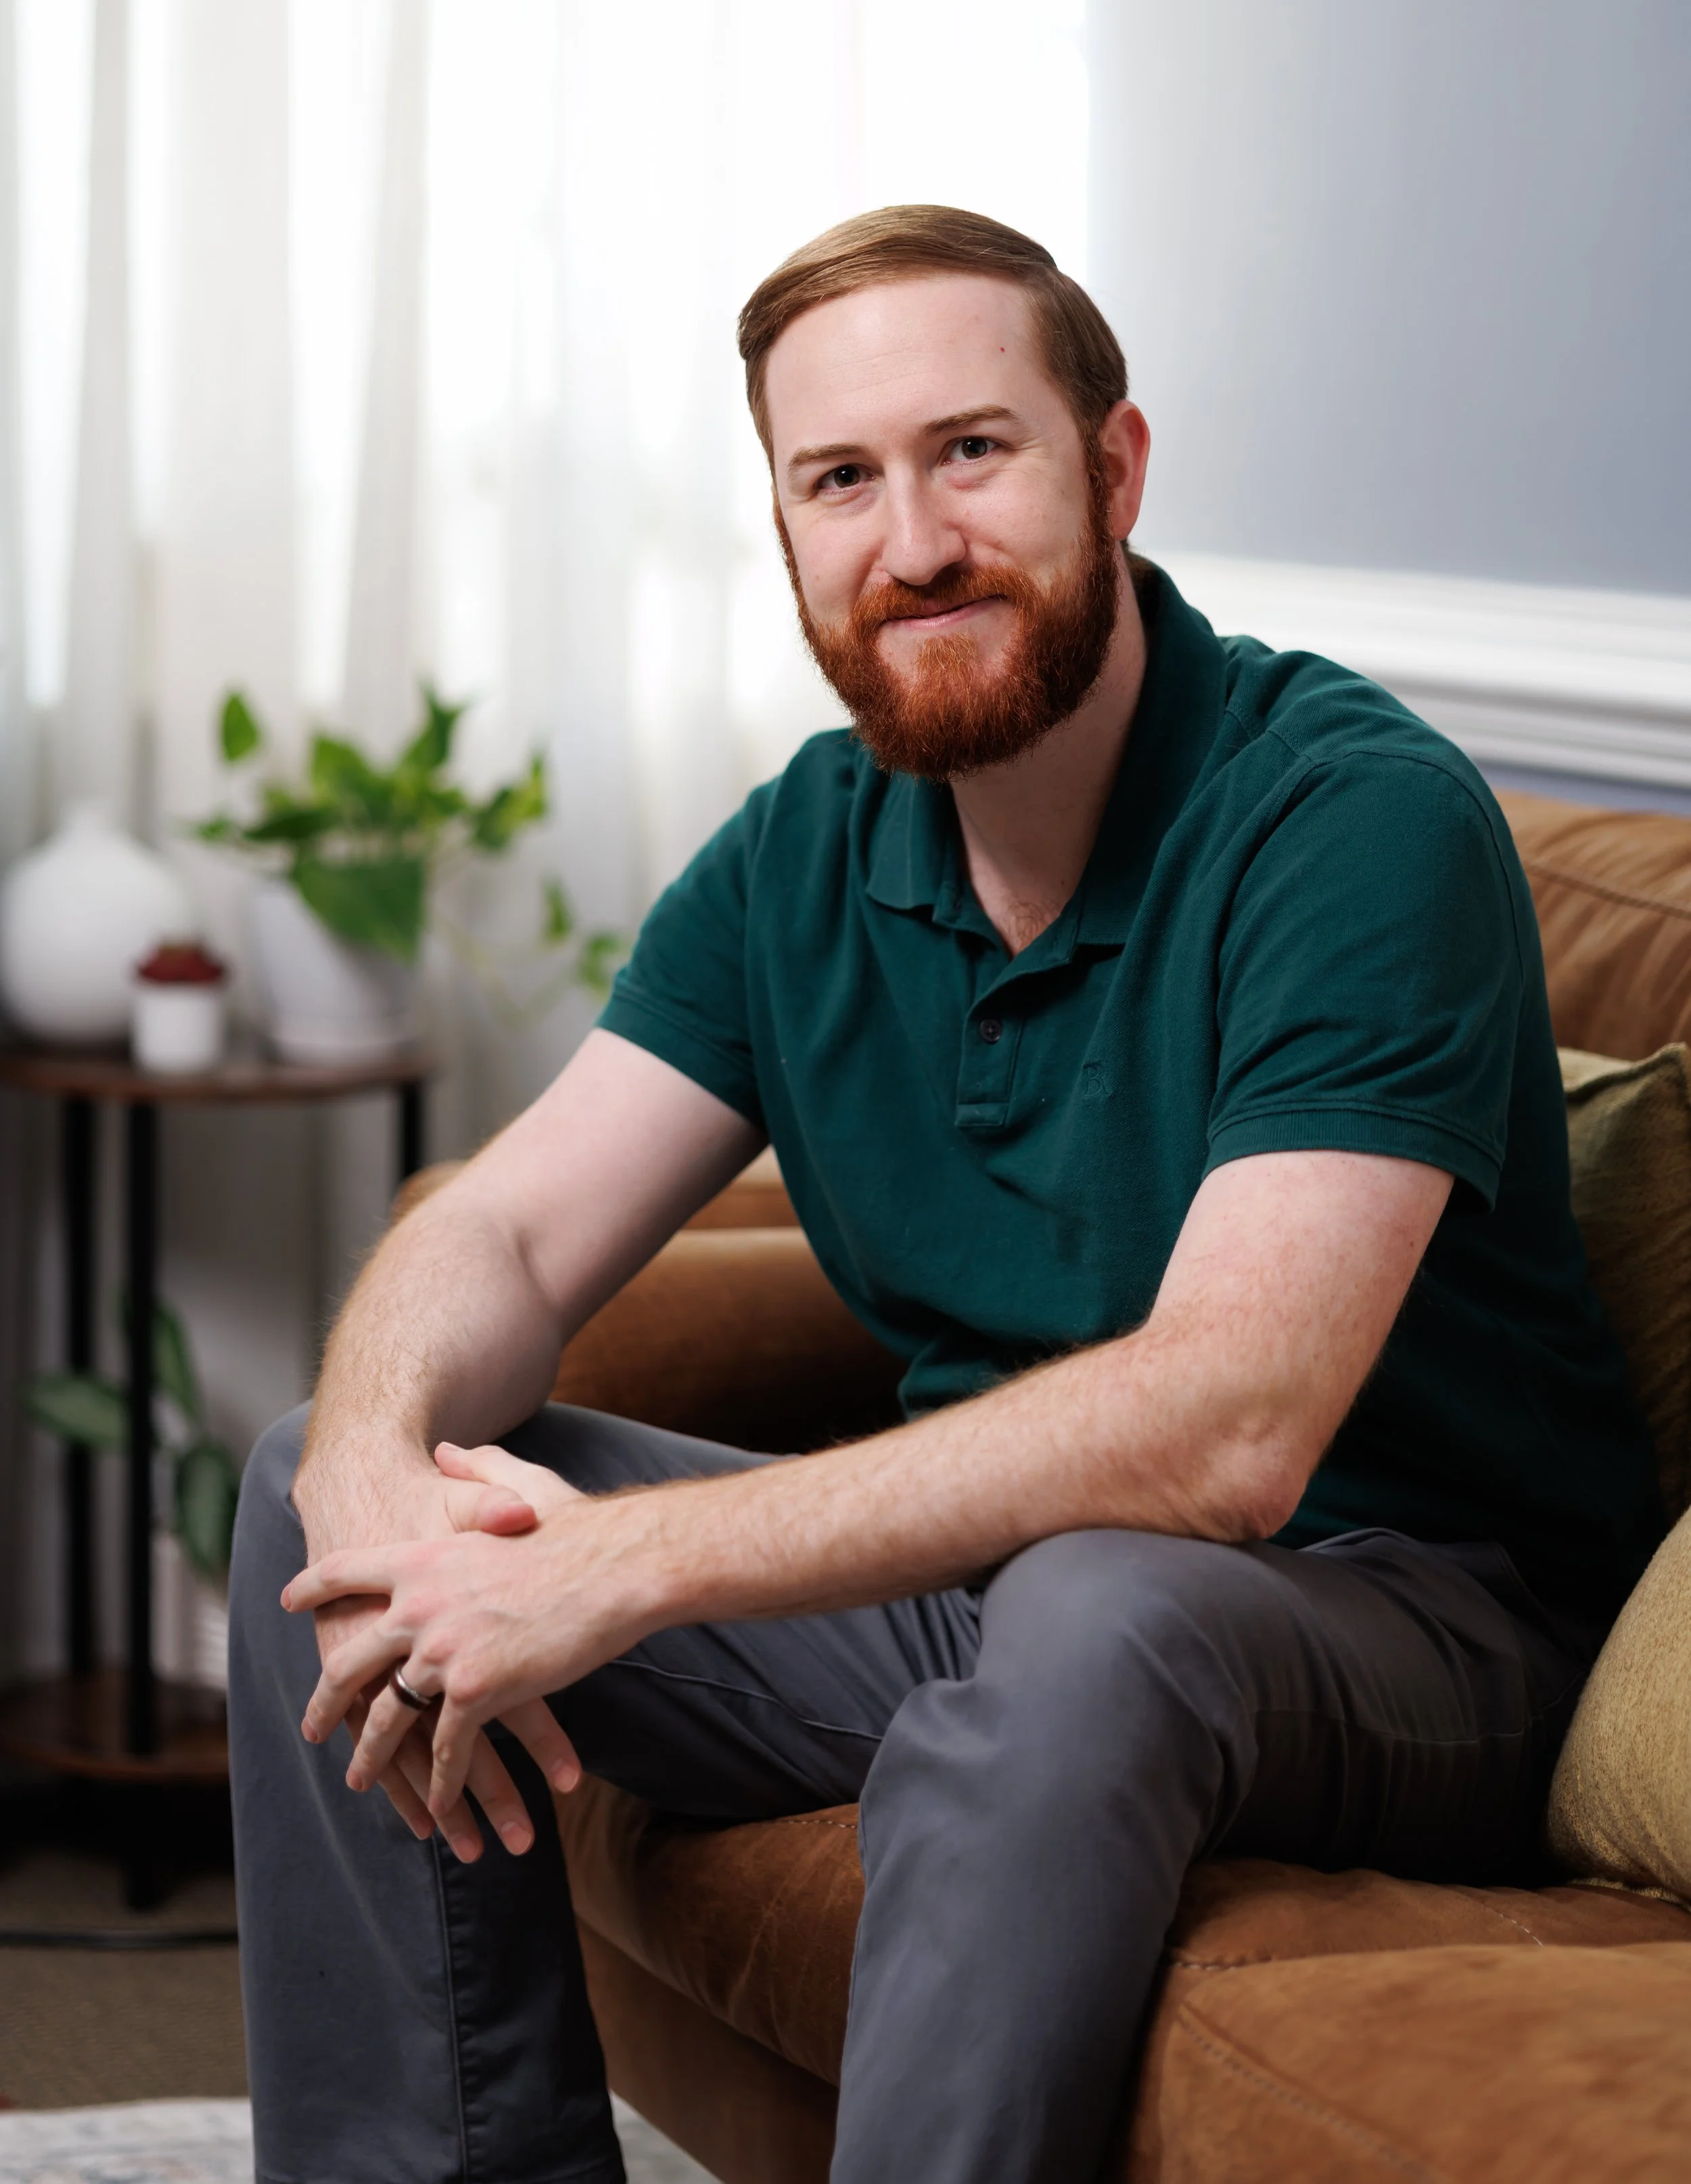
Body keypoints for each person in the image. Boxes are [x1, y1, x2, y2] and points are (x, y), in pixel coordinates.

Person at [231, 206, 1661, 2184]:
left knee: (1095, 1604)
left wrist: (626, 1564)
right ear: (789, 530)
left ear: (1113, 466)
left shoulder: (1348, 818)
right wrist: (381, 1456)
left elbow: (1234, 1424)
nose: (911, 543)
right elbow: (505, 1225)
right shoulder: (805, 852)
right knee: (333, 1476)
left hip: (1416, 1623)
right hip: (1002, 1602)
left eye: (969, 451)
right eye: (839, 479)